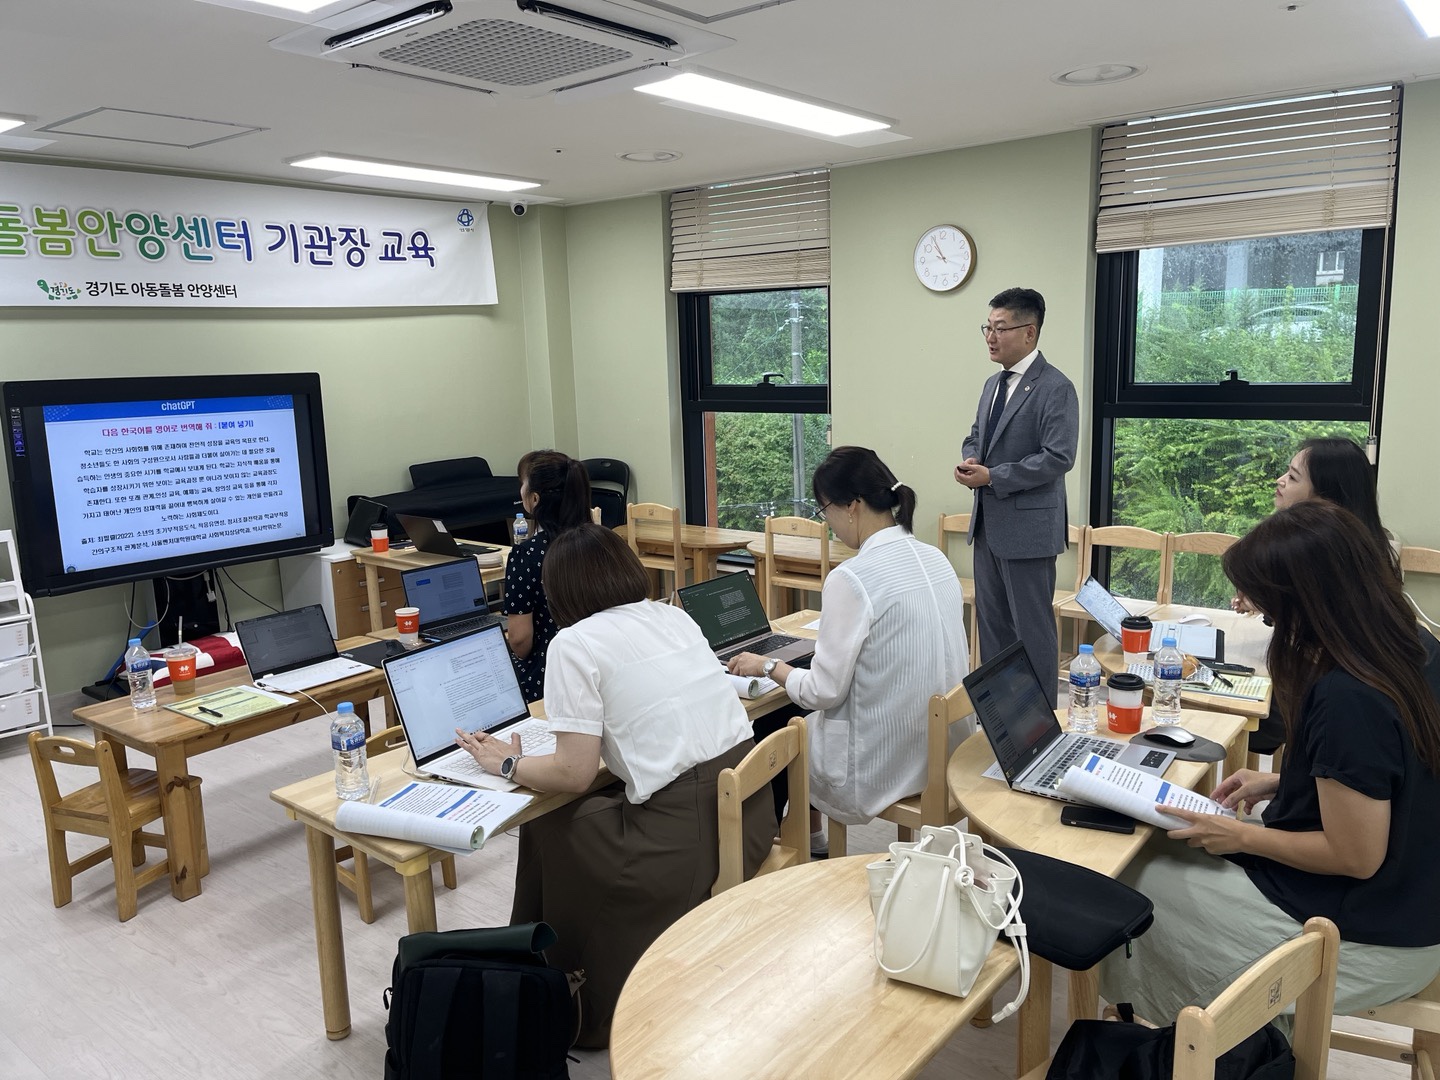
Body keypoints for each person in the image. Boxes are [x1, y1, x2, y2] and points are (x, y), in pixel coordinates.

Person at [1100, 501, 1440, 1025]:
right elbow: (1397, 776)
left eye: (1272, 613)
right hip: (1414, 902)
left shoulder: (1349, 697)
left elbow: (1356, 856)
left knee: (1134, 880)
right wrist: (1287, 782)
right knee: (1165, 848)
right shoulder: (1412, 645)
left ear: (1307, 604)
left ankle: (1199, 1038)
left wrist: (1241, 836)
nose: (1270, 625)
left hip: (1371, 935)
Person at [455, 523, 774, 1048]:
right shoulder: (673, 615)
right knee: (572, 813)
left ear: (559, 592)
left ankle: (566, 988)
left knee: (548, 822)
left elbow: (573, 774)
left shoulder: (573, 643)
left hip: (686, 840)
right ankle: (539, 962)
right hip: (748, 811)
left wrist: (507, 763)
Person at [727, 446, 969, 850]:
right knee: (799, 710)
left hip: (884, 764)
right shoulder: (935, 558)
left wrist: (768, 666)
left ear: (852, 506)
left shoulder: (852, 577)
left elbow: (822, 692)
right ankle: (811, 834)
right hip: (943, 750)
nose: (829, 524)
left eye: (825, 511)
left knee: (773, 723)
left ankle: (775, 845)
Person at [955, 287, 1079, 697]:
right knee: (991, 625)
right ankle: (1003, 715)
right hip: (988, 525)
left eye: (1000, 328)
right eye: (987, 328)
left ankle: (1041, 720)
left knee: (1032, 630)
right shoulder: (992, 384)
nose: (991, 337)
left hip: (1028, 532)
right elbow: (977, 435)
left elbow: (1058, 457)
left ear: (1029, 332)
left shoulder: (1056, 387)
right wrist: (972, 459)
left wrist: (993, 476)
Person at [1237, 436, 1396, 753]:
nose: (1280, 481)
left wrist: (1270, 603)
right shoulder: (1360, 548)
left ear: (1325, 497)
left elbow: (1316, 639)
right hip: (1316, 690)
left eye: (1293, 477)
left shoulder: (1326, 559)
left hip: (1310, 699)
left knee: (1226, 713)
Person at [503, 450, 591, 702]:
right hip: (602, 662)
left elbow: (520, 640)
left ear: (534, 498)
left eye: (522, 483)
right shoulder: (602, 542)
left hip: (549, 674)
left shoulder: (527, 554)